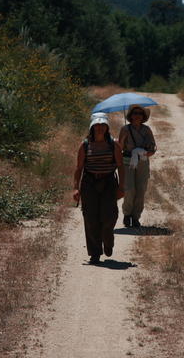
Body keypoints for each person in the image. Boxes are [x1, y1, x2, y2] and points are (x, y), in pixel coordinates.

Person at [73, 112, 124, 264]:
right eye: (97, 125)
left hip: (108, 182)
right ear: (92, 127)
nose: (100, 128)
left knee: (109, 216)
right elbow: (79, 167)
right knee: (90, 218)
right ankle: (95, 253)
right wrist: (76, 188)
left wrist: (122, 186)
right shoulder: (85, 145)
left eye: (103, 125)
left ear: (107, 127)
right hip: (89, 183)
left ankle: (108, 240)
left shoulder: (114, 144)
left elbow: (121, 167)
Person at [119, 104, 156, 228]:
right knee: (129, 189)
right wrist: (123, 139)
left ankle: (135, 217)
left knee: (141, 190)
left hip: (143, 162)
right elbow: (119, 148)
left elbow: (153, 148)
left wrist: (144, 153)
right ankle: (127, 214)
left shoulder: (147, 130)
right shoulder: (125, 129)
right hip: (127, 161)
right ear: (130, 115)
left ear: (143, 116)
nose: (137, 116)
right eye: (135, 113)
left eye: (140, 113)